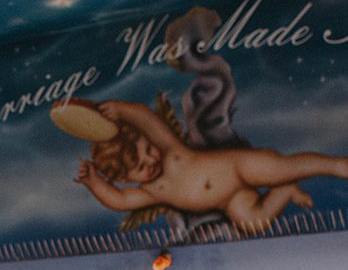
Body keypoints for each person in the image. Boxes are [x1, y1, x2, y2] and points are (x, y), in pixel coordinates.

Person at [75, 99, 348, 232]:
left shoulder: (170, 150)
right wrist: (94, 182)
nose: (151, 160)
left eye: (148, 150)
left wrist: (121, 110)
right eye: (140, 166)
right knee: (251, 222)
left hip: (239, 166)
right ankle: (285, 191)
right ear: (125, 177)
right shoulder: (151, 192)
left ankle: (335, 166)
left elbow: (148, 120)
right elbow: (119, 201)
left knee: (284, 168)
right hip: (231, 200)